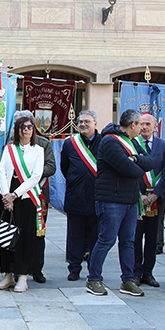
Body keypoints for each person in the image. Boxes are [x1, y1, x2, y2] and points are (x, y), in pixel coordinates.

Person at [87, 109, 155, 297]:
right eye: (141, 124)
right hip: (111, 200)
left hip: (130, 200)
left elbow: (150, 162)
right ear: (133, 125)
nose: (143, 127)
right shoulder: (110, 141)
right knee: (106, 240)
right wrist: (136, 164)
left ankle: (128, 280)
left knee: (128, 242)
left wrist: (134, 158)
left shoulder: (132, 143)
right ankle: (93, 278)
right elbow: (133, 171)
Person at [0, 115, 46, 292]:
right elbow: (1, 171)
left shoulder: (38, 150)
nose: (26, 129)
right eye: (22, 126)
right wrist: (5, 196)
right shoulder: (9, 149)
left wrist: (15, 195)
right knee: (7, 237)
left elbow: (35, 177)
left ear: (33, 130)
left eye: (29, 126)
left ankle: (23, 276)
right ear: (17, 130)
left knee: (26, 239)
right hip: (8, 200)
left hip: (26, 199)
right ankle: (8, 275)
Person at [12, 109, 56, 283]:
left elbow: (51, 167)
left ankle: (36, 270)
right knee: (18, 233)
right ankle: (18, 268)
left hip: (38, 196)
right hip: (18, 196)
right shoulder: (12, 145)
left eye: (25, 125)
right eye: (18, 125)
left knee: (38, 234)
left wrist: (32, 174)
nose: (22, 129)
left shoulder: (43, 144)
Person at [59, 109, 101, 282]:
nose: (83, 125)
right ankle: (74, 268)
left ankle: (94, 269)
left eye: (87, 122)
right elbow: (65, 168)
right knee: (75, 236)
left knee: (95, 236)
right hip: (76, 195)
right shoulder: (70, 143)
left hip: (97, 197)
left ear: (95, 124)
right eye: (81, 122)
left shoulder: (104, 142)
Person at [132, 112, 165, 287]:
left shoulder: (164, 146)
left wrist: (155, 194)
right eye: (142, 124)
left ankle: (148, 273)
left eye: (148, 124)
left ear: (155, 127)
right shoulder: (132, 144)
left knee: (152, 238)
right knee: (135, 237)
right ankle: (135, 272)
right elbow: (129, 170)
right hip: (137, 198)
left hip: (157, 199)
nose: (145, 127)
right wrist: (139, 195)